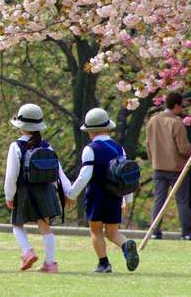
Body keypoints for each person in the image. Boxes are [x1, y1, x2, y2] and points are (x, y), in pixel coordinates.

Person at [67, 108, 139, 273]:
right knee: (113, 232)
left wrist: (71, 194)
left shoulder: (91, 149)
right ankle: (126, 244)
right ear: (107, 127)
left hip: (97, 196)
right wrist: (127, 199)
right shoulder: (119, 148)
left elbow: (84, 176)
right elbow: (127, 175)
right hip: (115, 196)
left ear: (89, 131)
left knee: (96, 230)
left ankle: (104, 263)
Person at [4, 103, 72, 273]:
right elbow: (59, 172)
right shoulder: (47, 146)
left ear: (21, 127)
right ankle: (50, 263)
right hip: (46, 191)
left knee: (17, 224)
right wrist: (67, 191)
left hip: (25, 191)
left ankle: (27, 252)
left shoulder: (16, 146)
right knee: (45, 228)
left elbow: (11, 175)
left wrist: (9, 195)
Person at [146, 92, 191, 240]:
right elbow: (183, 148)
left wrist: (153, 160)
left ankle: (155, 231)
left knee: (159, 200)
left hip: (158, 166)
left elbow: (148, 144)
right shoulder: (176, 123)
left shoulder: (153, 121)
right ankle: (186, 233)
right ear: (177, 105)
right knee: (182, 201)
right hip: (176, 168)